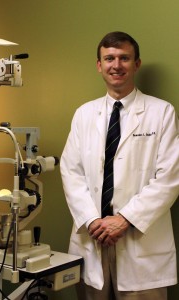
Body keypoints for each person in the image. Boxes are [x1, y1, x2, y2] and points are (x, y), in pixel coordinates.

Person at [60, 31, 179, 300]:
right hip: (93, 237)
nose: (117, 65)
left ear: (136, 64)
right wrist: (92, 220)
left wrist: (125, 219)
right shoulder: (84, 114)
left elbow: (170, 177)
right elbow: (71, 171)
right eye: (109, 58)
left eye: (124, 58)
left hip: (140, 240)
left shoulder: (162, 112)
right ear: (99, 65)